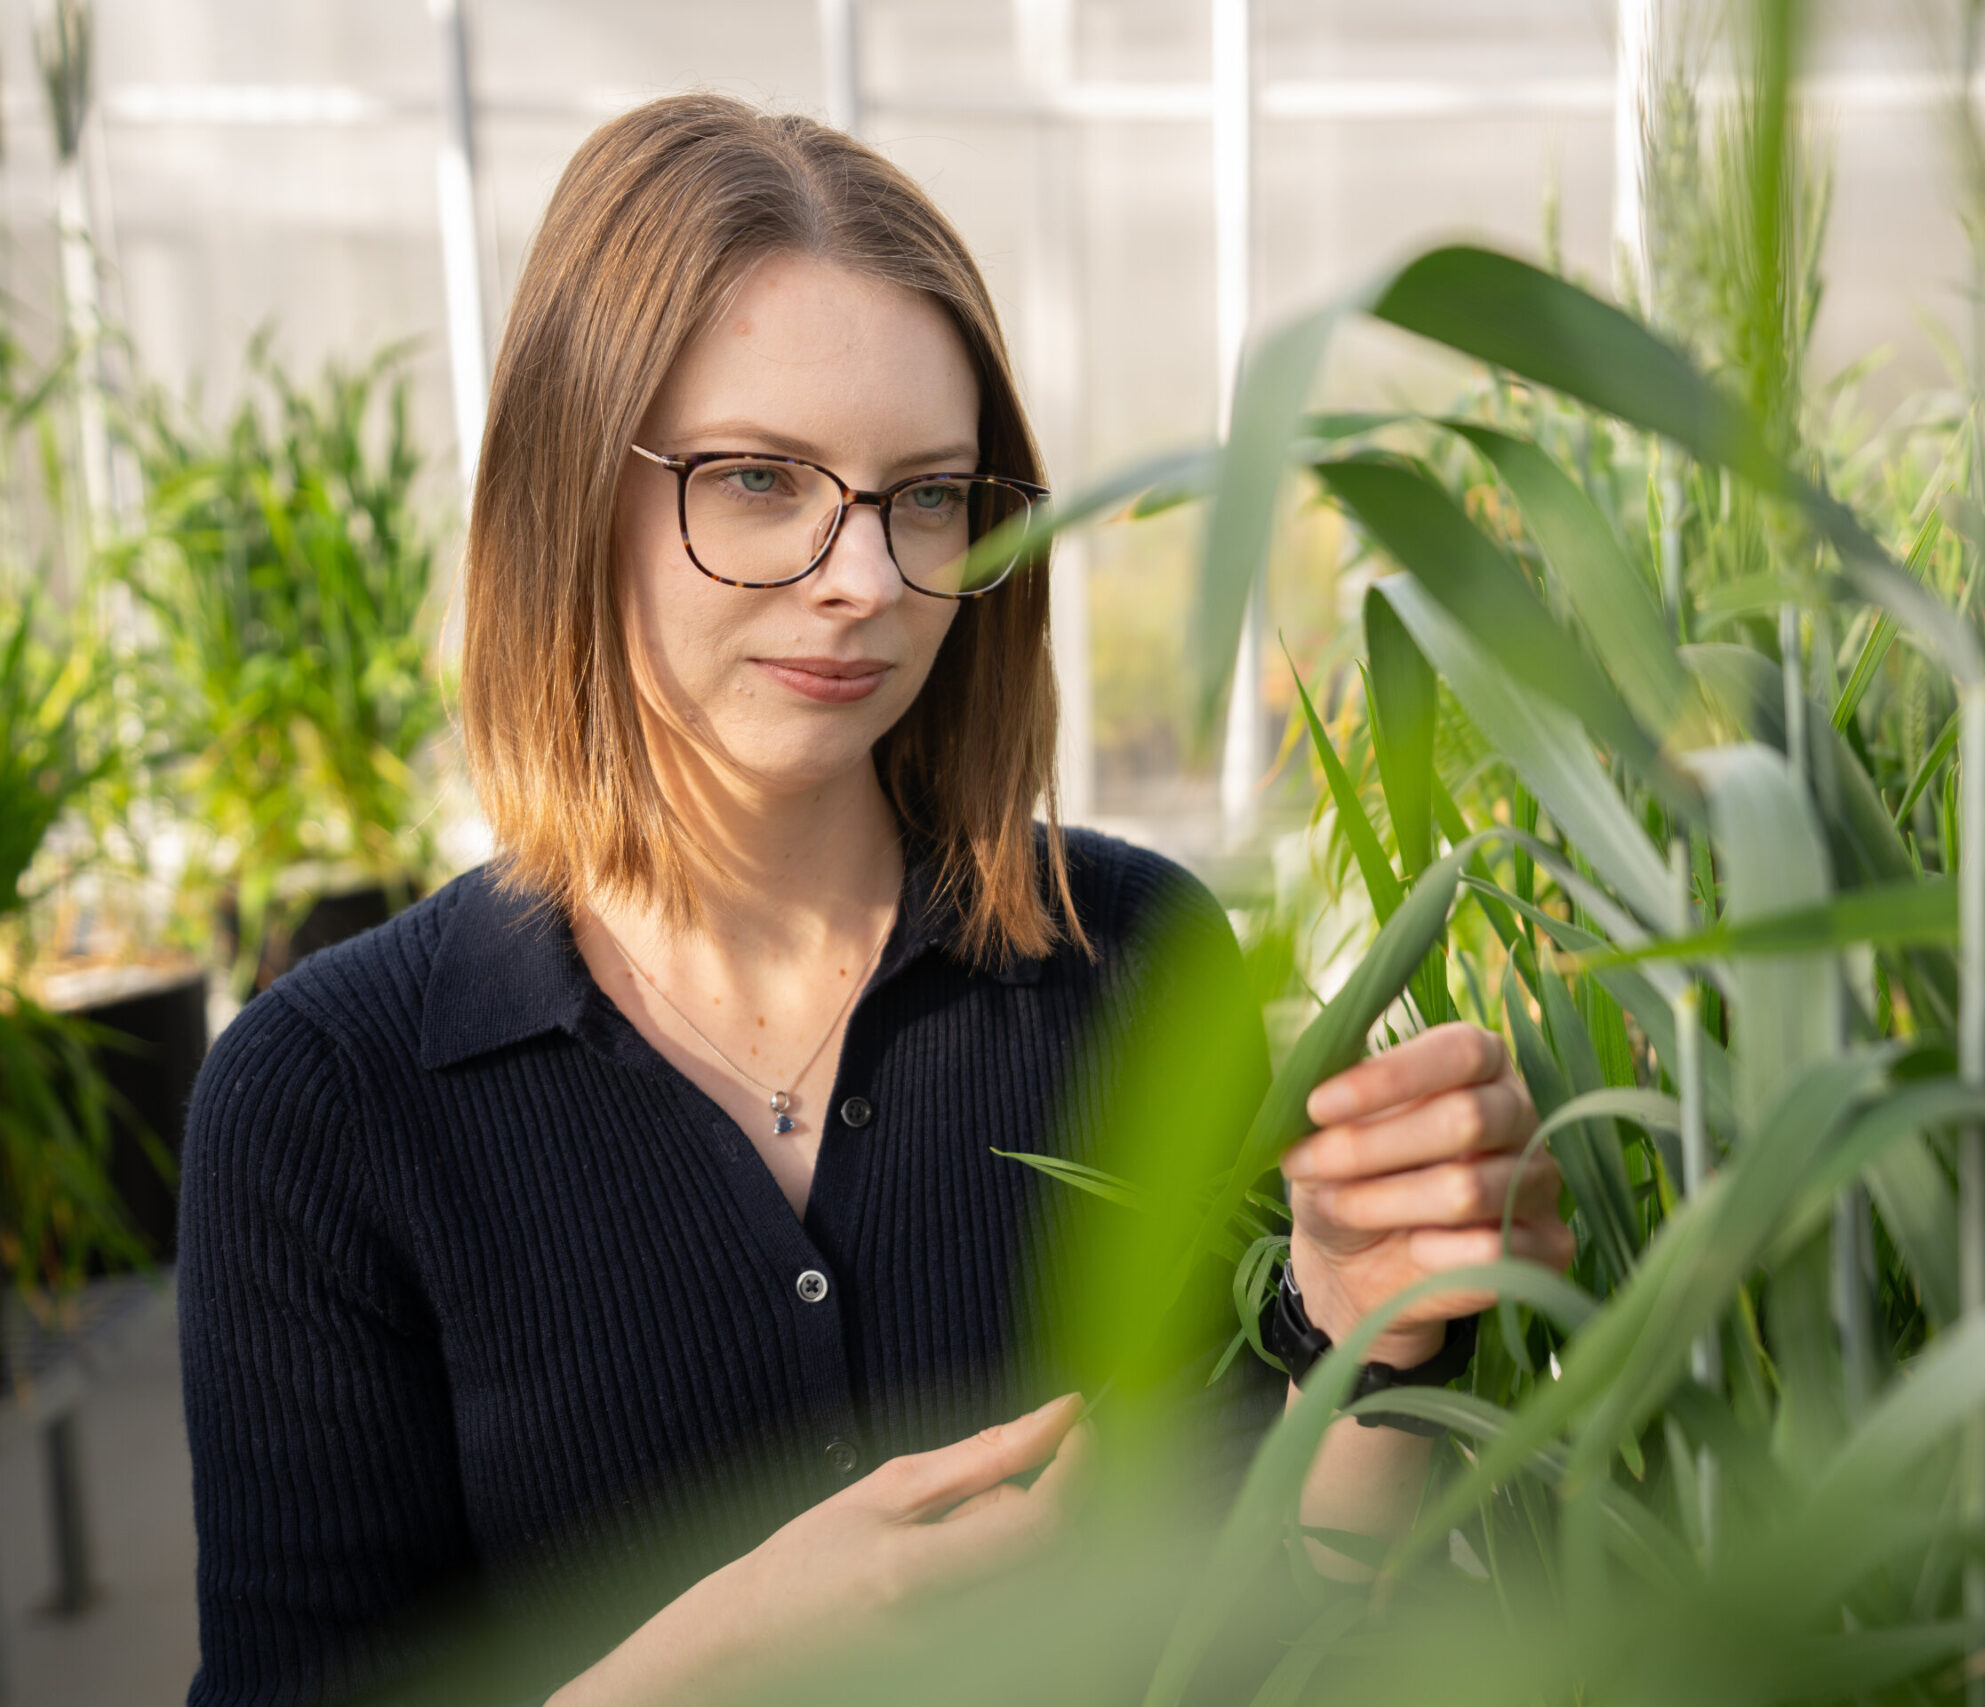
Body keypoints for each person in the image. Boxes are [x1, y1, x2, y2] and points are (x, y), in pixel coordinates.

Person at [178, 93, 1573, 1707]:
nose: (864, 576)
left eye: (927, 495)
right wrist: (712, 1662)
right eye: (762, 479)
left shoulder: (1132, 965)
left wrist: (1371, 1340)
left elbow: (1278, 1625)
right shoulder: (321, 1104)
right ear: (571, 488)